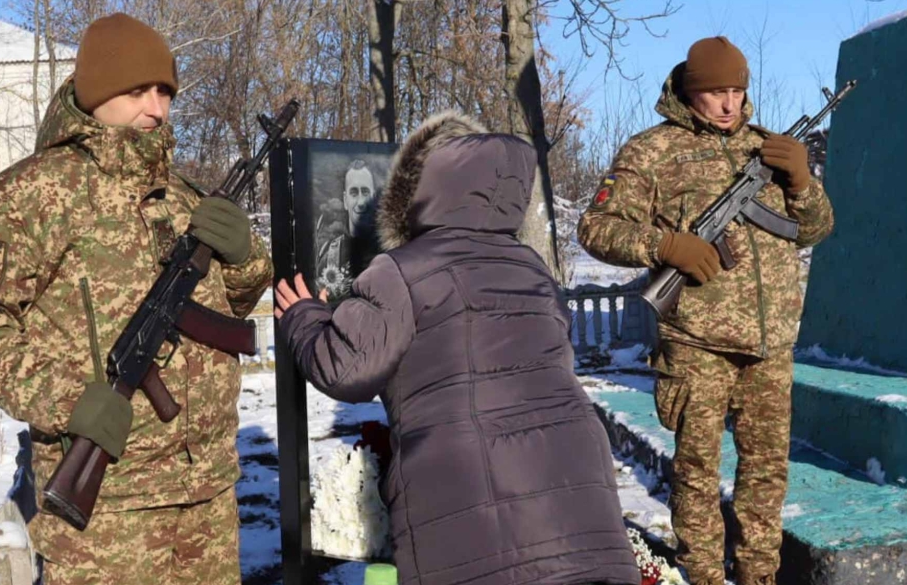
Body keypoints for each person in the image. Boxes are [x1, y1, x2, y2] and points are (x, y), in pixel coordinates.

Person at [0, 13, 272, 585]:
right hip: (111, 514)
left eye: (164, 91)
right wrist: (69, 402)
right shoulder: (33, 193)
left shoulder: (184, 197)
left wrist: (247, 259)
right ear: (96, 94)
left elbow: (230, 312)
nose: (156, 108)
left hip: (208, 497)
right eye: (138, 90)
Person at [275, 112, 641, 585]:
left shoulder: (403, 269)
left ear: (416, 189)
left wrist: (305, 317)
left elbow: (348, 368)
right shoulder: (531, 268)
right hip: (573, 469)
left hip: (470, 486)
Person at [577, 36, 835, 585]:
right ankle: (703, 577)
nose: (729, 105)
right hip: (697, 346)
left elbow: (814, 229)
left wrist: (802, 181)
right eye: (717, 92)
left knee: (766, 476)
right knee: (697, 474)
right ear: (691, 92)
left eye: (737, 92)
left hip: (770, 347)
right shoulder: (652, 151)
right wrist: (665, 247)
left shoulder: (768, 148)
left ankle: (758, 576)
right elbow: (595, 228)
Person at [316, 159, 379, 298]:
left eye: (365, 192)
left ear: (374, 197)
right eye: (354, 193)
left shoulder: (391, 251)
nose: (361, 202)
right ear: (345, 200)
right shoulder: (329, 259)